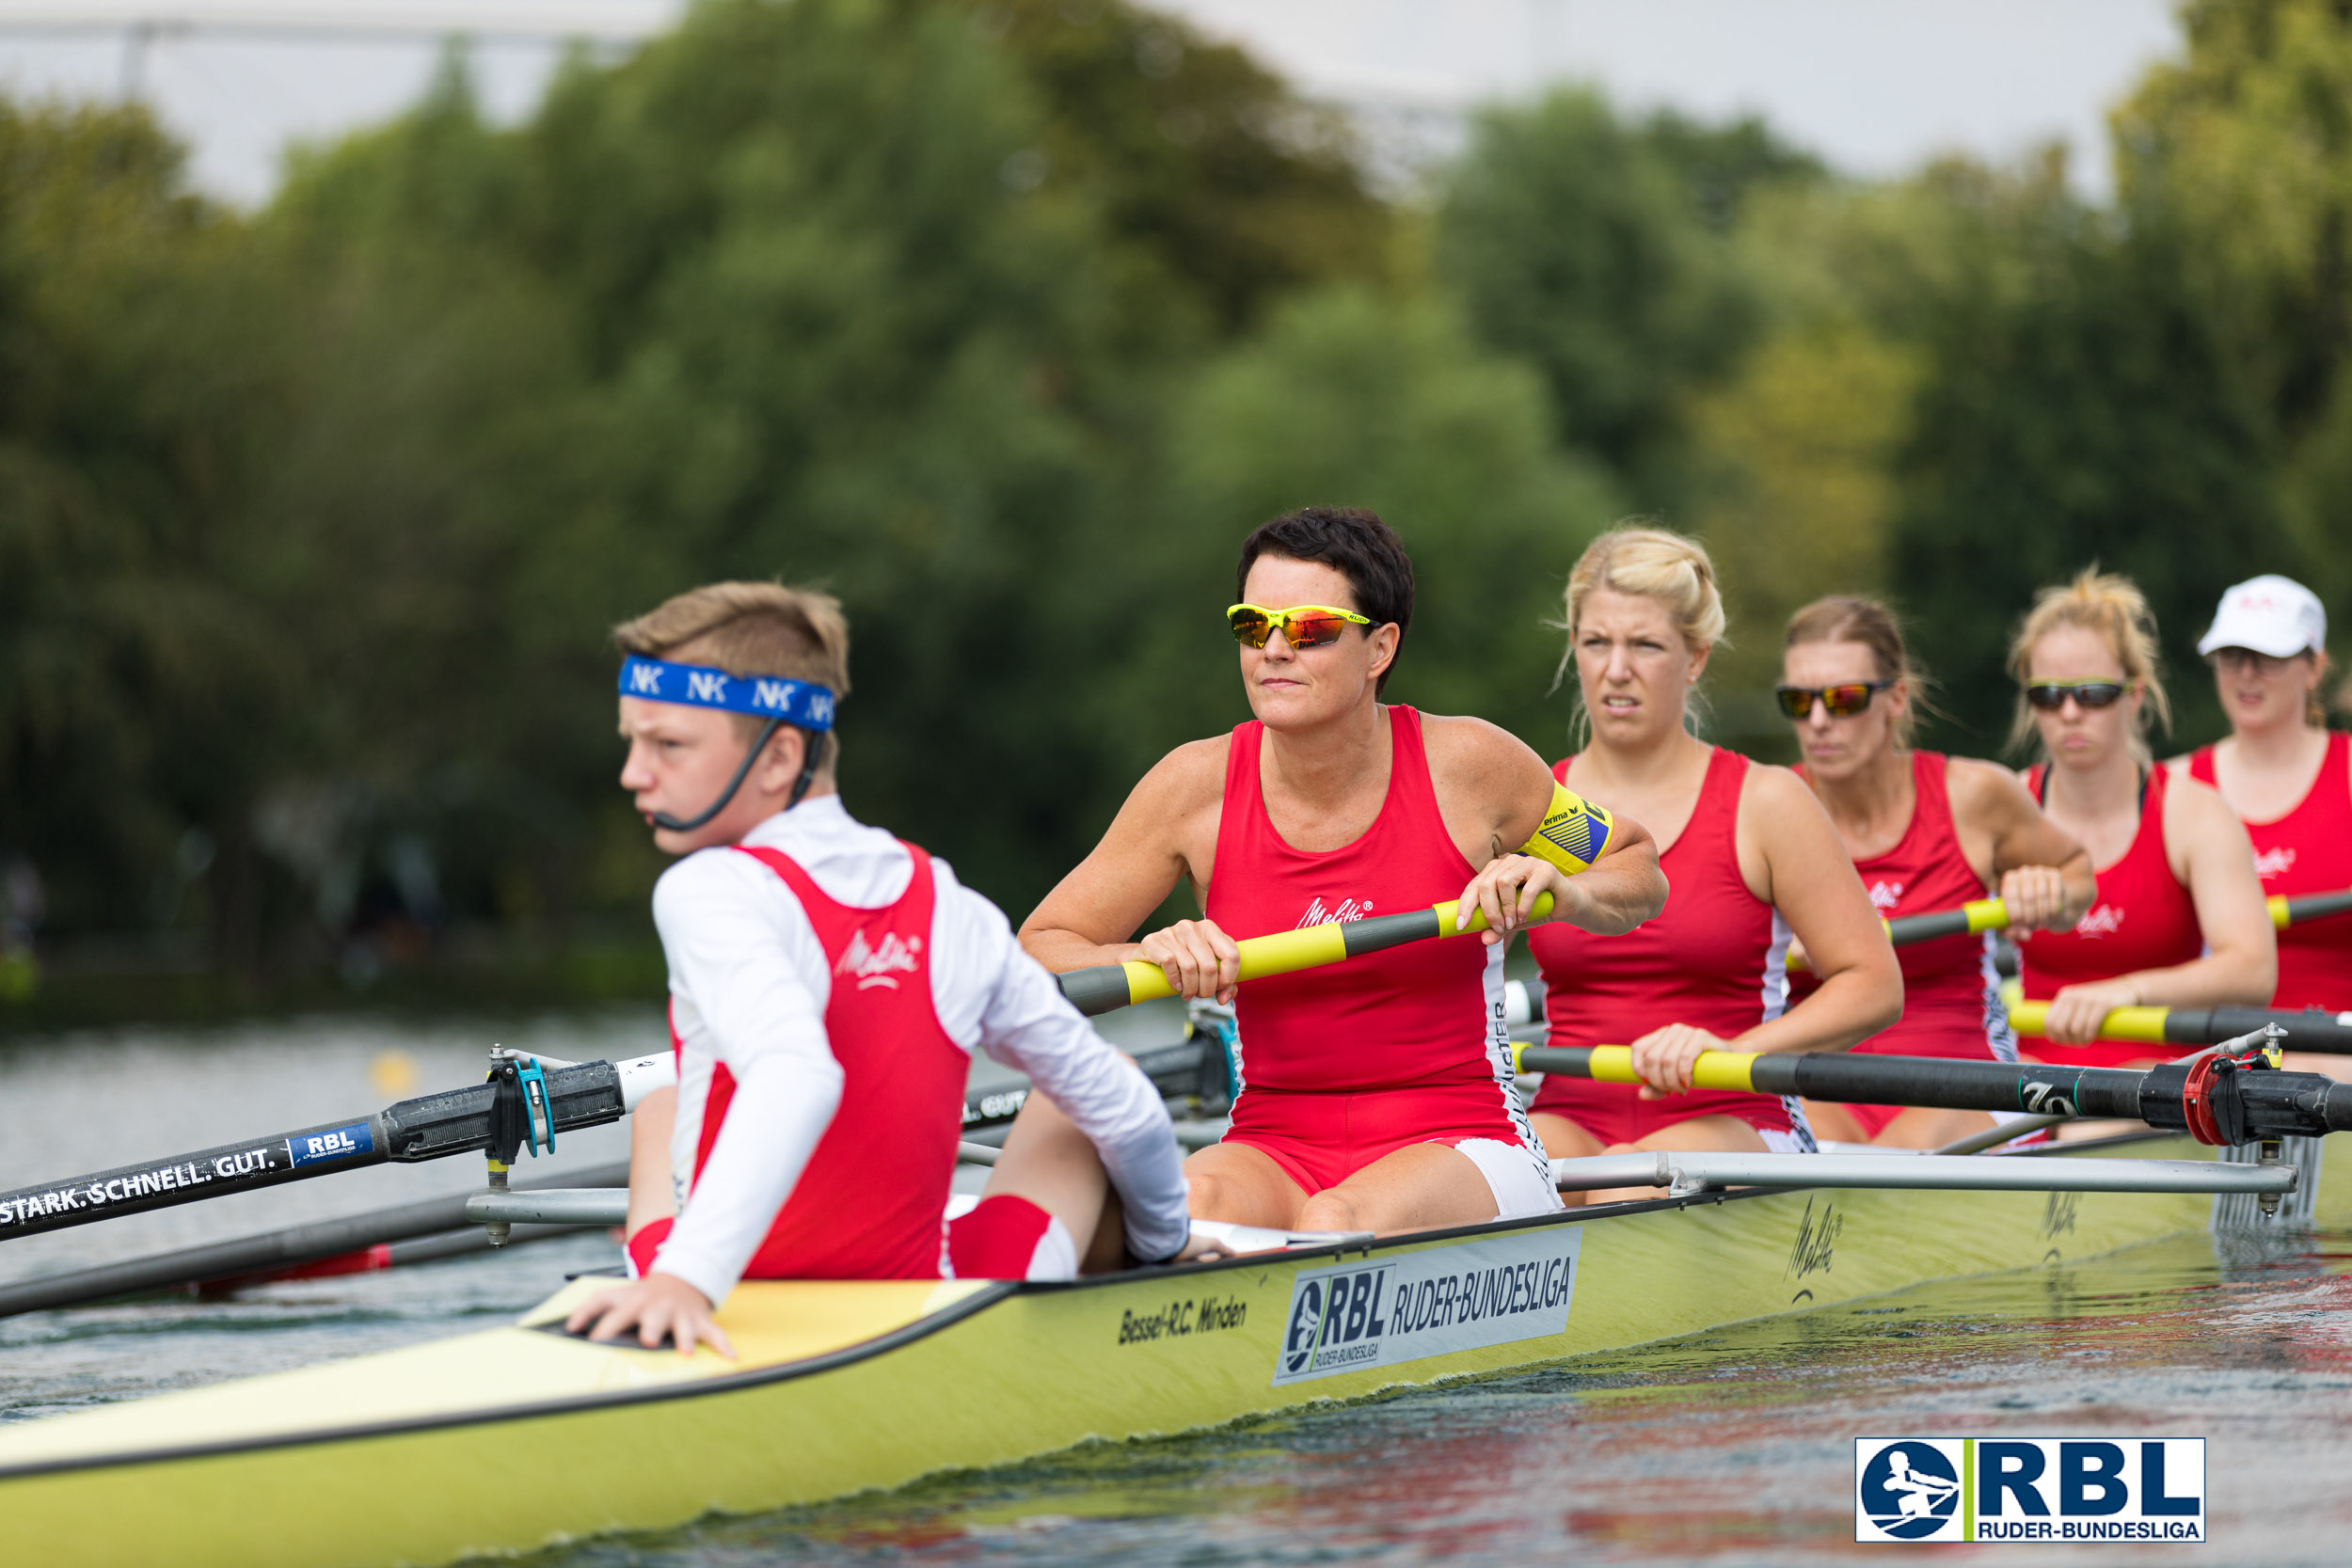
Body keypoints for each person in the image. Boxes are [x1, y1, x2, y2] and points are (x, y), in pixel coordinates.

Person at [565, 582, 1193, 1357]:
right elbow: (1124, 1109)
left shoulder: (706, 887)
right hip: (924, 1302)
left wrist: (686, 1278)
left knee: (662, 1104)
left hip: (715, 1295)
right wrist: (1167, 1253)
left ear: (780, 755)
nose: (633, 773)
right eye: (634, 741)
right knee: (1092, 1092)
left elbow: (799, 1074)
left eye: (667, 745)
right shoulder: (952, 904)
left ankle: (680, 1278)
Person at [1020, 508, 1668, 1236]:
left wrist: (1566, 888)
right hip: (1271, 1140)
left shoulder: (1471, 768)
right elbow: (1041, 945)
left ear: (1379, 648)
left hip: (1464, 1137)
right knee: (1179, 1212)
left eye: (1307, 629)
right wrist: (1147, 954)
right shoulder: (1189, 789)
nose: (1272, 650)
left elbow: (1636, 865)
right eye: (1251, 624)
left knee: (1336, 1219)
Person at [1522, 530, 1902, 1198]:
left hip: (1732, 1111)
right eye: (1596, 642)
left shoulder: (1766, 801)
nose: (1616, 669)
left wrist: (1735, 1052)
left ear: (1694, 658)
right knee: (1494, 1188)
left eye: (1645, 645)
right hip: (1569, 1113)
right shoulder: (1539, 805)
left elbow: (1873, 984)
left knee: (1623, 1185)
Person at [1779, 596, 2095, 1148]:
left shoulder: (1974, 796)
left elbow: (2077, 876)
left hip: (1963, 1082)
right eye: (1799, 702)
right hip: (1820, 1083)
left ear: (1895, 698)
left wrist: (2045, 889)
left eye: (1844, 699)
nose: (1820, 721)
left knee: (1884, 1166)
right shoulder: (1771, 808)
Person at [2008, 570, 2274, 1069]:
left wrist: (2126, 991)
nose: (2068, 712)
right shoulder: (2004, 806)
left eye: (2092, 693)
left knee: (2084, 1132)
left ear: (2133, 695)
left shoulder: (2194, 812)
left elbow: (2254, 969)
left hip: (2157, 1076)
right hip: (2028, 1068)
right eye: (2047, 694)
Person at [2169, 575, 2352, 1034]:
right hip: (2199, 1056)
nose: (2247, 673)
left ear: (2314, 668)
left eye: (2268, 656)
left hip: (2337, 1056)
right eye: (2231, 657)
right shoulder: (2171, 784)